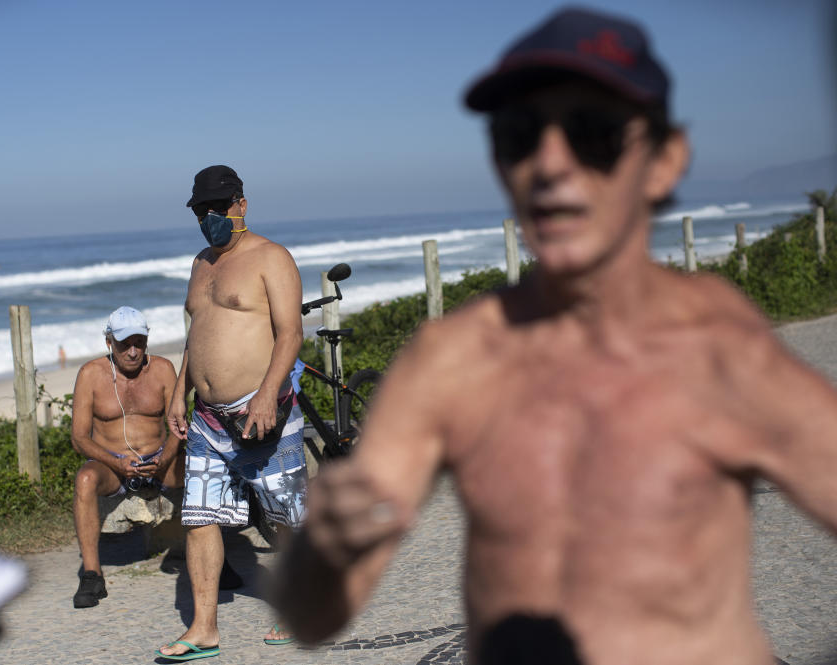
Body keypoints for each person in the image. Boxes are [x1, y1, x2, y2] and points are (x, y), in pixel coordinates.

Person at [272, 7, 837, 665]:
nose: (549, 163)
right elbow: (312, 617)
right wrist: (323, 550)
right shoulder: (452, 359)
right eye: (518, 134)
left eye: (592, 132)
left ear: (665, 160)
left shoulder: (720, 348)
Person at [156, 165, 305, 659]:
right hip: (207, 418)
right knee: (199, 517)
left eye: (219, 207)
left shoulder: (271, 257)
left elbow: (290, 334)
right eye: (202, 210)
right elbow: (196, 336)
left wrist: (267, 392)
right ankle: (203, 629)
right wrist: (180, 392)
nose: (211, 217)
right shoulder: (201, 263)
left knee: (283, 515)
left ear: (241, 203)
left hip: (263, 409)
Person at [69, 306, 184, 609]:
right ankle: (92, 574)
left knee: (201, 467)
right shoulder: (90, 374)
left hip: (159, 460)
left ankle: (216, 558)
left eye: (139, 343)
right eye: (124, 345)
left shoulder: (162, 369)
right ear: (109, 343)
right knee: (84, 479)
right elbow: (79, 437)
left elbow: (179, 425)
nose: (133, 352)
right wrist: (115, 462)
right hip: (113, 464)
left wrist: (166, 458)